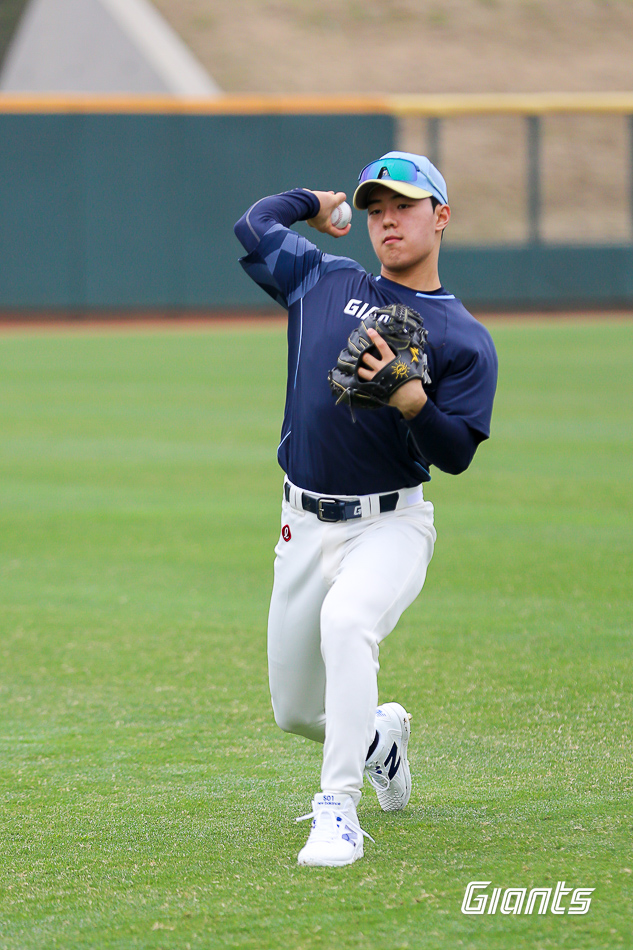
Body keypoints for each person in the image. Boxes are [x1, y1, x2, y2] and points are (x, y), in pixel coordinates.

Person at [234, 150, 498, 867]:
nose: (387, 220)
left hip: (390, 523)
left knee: (347, 624)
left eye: (404, 207)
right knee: (294, 711)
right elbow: (253, 225)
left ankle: (337, 810)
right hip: (301, 524)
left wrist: (414, 401)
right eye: (376, 209)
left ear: (439, 218)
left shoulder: (461, 338)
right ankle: (381, 738)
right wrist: (316, 202)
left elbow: (456, 454)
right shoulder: (323, 280)